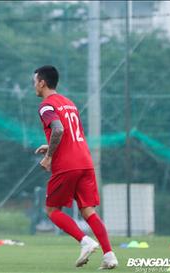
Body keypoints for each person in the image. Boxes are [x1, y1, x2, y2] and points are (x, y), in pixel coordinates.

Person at [33, 65, 118, 269]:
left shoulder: (46, 105)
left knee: (52, 210)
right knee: (88, 210)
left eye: (34, 81)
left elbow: (59, 129)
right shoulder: (69, 103)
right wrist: (50, 145)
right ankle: (109, 255)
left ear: (42, 83)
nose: (34, 85)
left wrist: (49, 157)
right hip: (85, 162)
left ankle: (85, 241)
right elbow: (68, 132)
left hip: (67, 165)